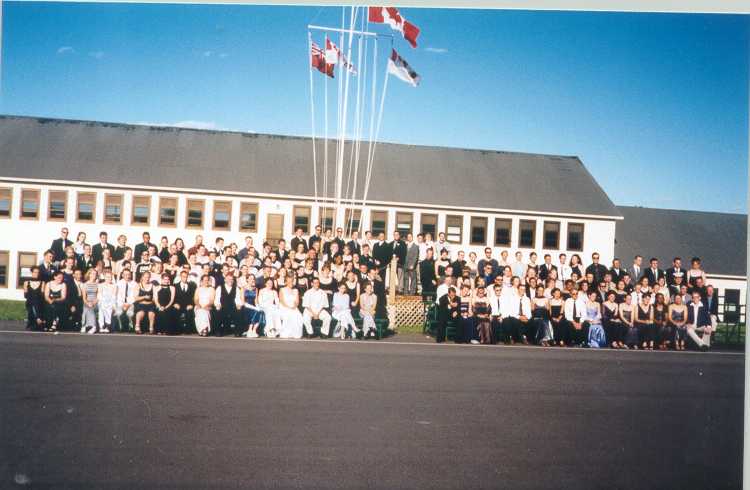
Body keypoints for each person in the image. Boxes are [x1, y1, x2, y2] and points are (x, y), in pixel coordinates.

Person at [23, 266, 46, 331]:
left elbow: (42, 295)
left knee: (36, 301)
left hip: (39, 303)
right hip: (30, 302)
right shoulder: (26, 282)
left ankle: (36, 319)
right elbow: (26, 295)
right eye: (35, 272)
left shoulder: (42, 282)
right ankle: (38, 318)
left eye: (38, 272)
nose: (37, 274)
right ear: (32, 272)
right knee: (32, 301)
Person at [81, 269, 100, 334]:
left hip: (96, 302)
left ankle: (93, 326)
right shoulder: (85, 284)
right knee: (86, 308)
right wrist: (87, 303)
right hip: (87, 301)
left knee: (91, 308)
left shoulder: (98, 284)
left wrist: (93, 303)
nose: (94, 275)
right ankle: (84, 326)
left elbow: (98, 296)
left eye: (95, 274)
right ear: (89, 274)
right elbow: (84, 298)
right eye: (92, 274)